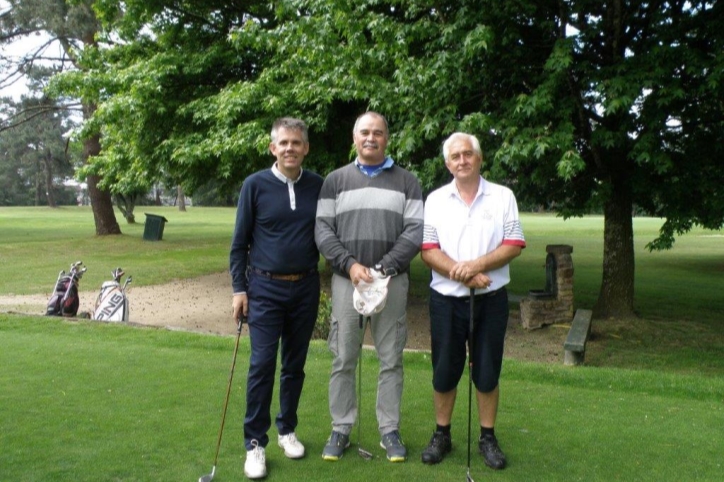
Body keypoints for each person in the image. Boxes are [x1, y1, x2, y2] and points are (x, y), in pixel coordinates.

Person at [315, 111, 423, 463]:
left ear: (386, 138)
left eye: (378, 132)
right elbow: (323, 231)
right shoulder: (335, 180)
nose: (371, 138)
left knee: (391, 359)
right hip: (348, 282)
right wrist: (350, 264)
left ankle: (389, 430)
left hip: (390, 281)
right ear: (354, 137)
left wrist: (383, 267)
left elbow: (415, 231)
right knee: (344, 357)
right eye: (364, 132)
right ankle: (341, 428)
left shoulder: (407, 181)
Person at [419, 132, 525, 470]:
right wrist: (462, 275)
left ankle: (488, 437)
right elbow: (429, 251)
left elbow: (514, 243)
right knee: (444, 370)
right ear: (447, 163)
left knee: (488, 371)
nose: (462, 161)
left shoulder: (503, 196)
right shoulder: (435, 199)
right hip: (446, 300)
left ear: (479, 158)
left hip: (490, 299)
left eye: (468, 154)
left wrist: (475, 267)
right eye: (455, 156)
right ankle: (442, 434)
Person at [230, 117, 323, 479]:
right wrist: (240, 289)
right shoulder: (254, 185)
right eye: (283, 143)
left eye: (296, 143)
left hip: (306, 286)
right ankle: (255, 443)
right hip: (264, 288)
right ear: (273, 148)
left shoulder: (318, 185)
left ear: (305, 148)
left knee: (294, 365)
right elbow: (240, 244)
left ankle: (286, 429)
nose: (290, 149)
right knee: (262, 365)